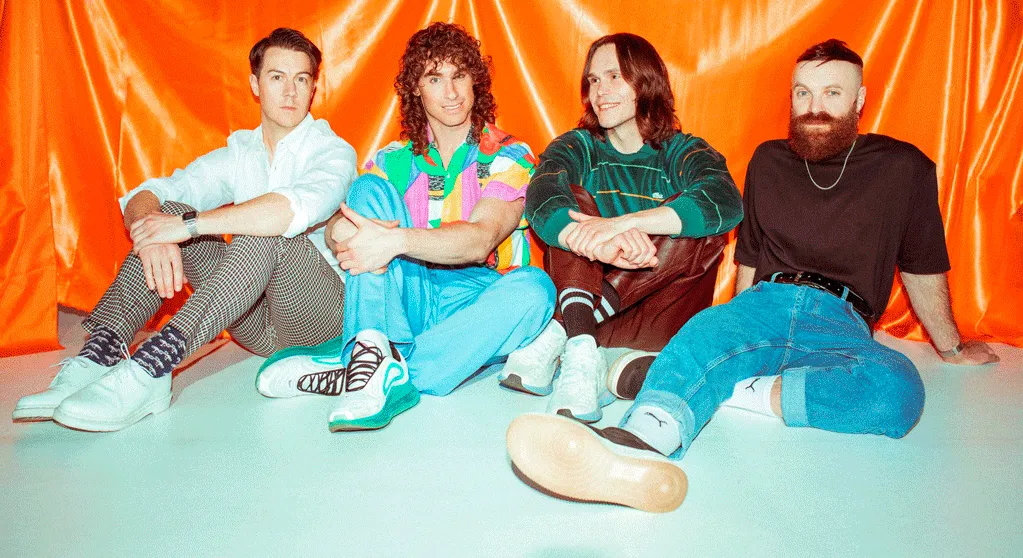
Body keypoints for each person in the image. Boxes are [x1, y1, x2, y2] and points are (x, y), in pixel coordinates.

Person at [506, 38, 999, 513]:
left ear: (860, 100)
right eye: (803, 93)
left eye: (832, 93)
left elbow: (921, 265)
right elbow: (749, 258)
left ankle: (732, 391)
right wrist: (727, 321)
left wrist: (952, 348)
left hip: (841, 320)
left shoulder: (903, 167)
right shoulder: (768, 160)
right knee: (703, 335)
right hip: (762, 304)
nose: (815, 107)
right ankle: (632, 448)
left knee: (900, 389)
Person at [13, 28, 358, 432]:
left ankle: (152, 366)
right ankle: (98, 356)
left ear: (313, 88)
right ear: (255, 85)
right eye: (277, 77)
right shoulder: (240, 151)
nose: (289, 92)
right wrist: (153, 233)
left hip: (319, 319)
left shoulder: (333, 152)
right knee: (169, 211)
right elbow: (151, 194)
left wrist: (186, 227)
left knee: (259, 229)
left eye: (301, 79)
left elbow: (287, 211)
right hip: (252, 323)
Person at [255, 22, 555, 432]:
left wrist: (392, 241)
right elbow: (340, 226)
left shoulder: (509, 154)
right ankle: (373, 348)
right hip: (409, 290)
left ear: (475, 81)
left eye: (459, 76)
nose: (451, 92)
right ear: (416, 87)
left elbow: (480, 239)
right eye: (434, 78)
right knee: (368, 188)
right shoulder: (393, 159)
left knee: (536, 290)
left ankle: (369, 368)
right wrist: (345, 234)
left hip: (476, 300)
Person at [498, 33, 742, 424]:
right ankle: (582, 353)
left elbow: (725, 199)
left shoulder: (682, 150)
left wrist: (622, 225)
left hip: (659, 317)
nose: (600, 91)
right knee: (569, 198)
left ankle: (562, 334)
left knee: (701, 223)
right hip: (588, 312)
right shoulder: (579, 146)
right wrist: (594, 242)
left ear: (645, 82)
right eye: (593, 80)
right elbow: (542, 193)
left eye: (614, 76)